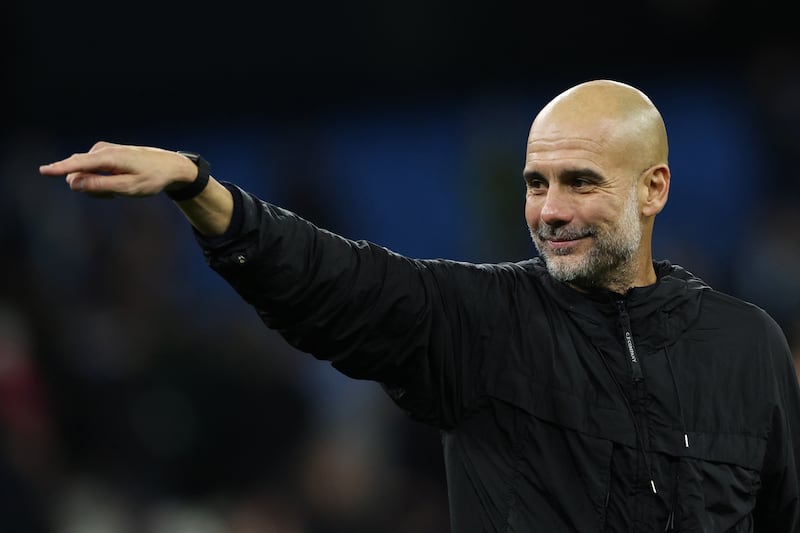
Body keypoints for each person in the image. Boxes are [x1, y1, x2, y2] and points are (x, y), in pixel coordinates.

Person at [40, 79, 800, 532]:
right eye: (537, 184)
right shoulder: (481, 321)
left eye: (581, 181)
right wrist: (204, 193)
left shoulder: (747, 346)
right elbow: (334, 281)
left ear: (654, 188)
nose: (551, 210)